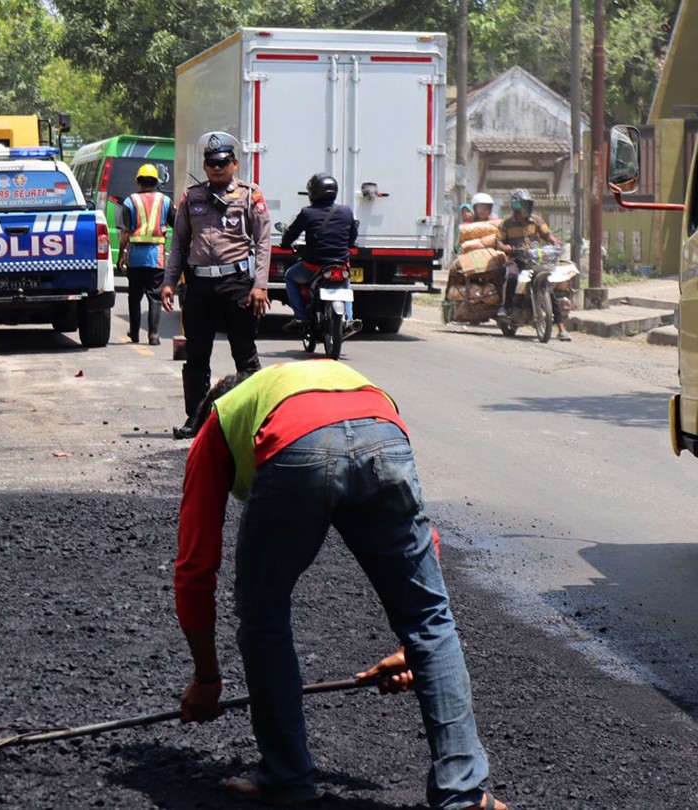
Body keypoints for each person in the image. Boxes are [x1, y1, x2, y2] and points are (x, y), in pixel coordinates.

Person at [173, 360, 507, 810]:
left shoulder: (220, 421)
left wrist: (208, 678)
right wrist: (415, 649)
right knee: (430, 619)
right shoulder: (335, 382)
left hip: (296, 443)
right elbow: (421, 545)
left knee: (263, 616)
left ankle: (287, 777)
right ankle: (464, 795)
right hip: (383, 430)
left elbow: (195, 568)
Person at [161, 132, 271, 439]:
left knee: (245, 354)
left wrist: (260, 285)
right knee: (196, 355)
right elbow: (179, 245)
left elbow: (263, 242)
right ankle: (195, 421)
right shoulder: (192, 197)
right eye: (211, 163)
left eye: (223, 162)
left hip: (237, 284)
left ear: (235, 163)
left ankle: (254, 419)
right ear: (206, 166)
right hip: (199, 286)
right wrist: (169, 281)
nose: (217, 168)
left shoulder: (250, 196)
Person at [278, 173, 360, 337]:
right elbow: (352, 237)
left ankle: (300, 317)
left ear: (313, 192)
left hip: (312, 266)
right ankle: (349, 320)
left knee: (290, 277)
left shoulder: (307, 213)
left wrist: (285, 244)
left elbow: (291, 234)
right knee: (346, 284)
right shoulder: (346, 211)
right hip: (340, 264)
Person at [495, 188, 570, 340]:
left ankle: (561, 328)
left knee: (548, 287)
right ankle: (506, 308)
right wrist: (506, 247)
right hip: (515, 259)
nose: (525, 209)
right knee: (512, 277)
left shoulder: (536, 220)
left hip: (534, 260)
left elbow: (548, 235)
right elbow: (498, 243)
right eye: (522, 206)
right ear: (515, 207)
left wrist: (554, 242)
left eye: (527, 205)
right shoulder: (506, 224)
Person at [117, 163, 174, 345]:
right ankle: (154, 336)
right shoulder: (165, 201)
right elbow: (178, 225)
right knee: (155, 296)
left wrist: (120, 256)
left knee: (134, 296)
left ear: (138, 182)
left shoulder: (129, 201)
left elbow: (125, 232)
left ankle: (134, 334)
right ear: (157, 182)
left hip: (135, 257)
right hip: (156, 256)